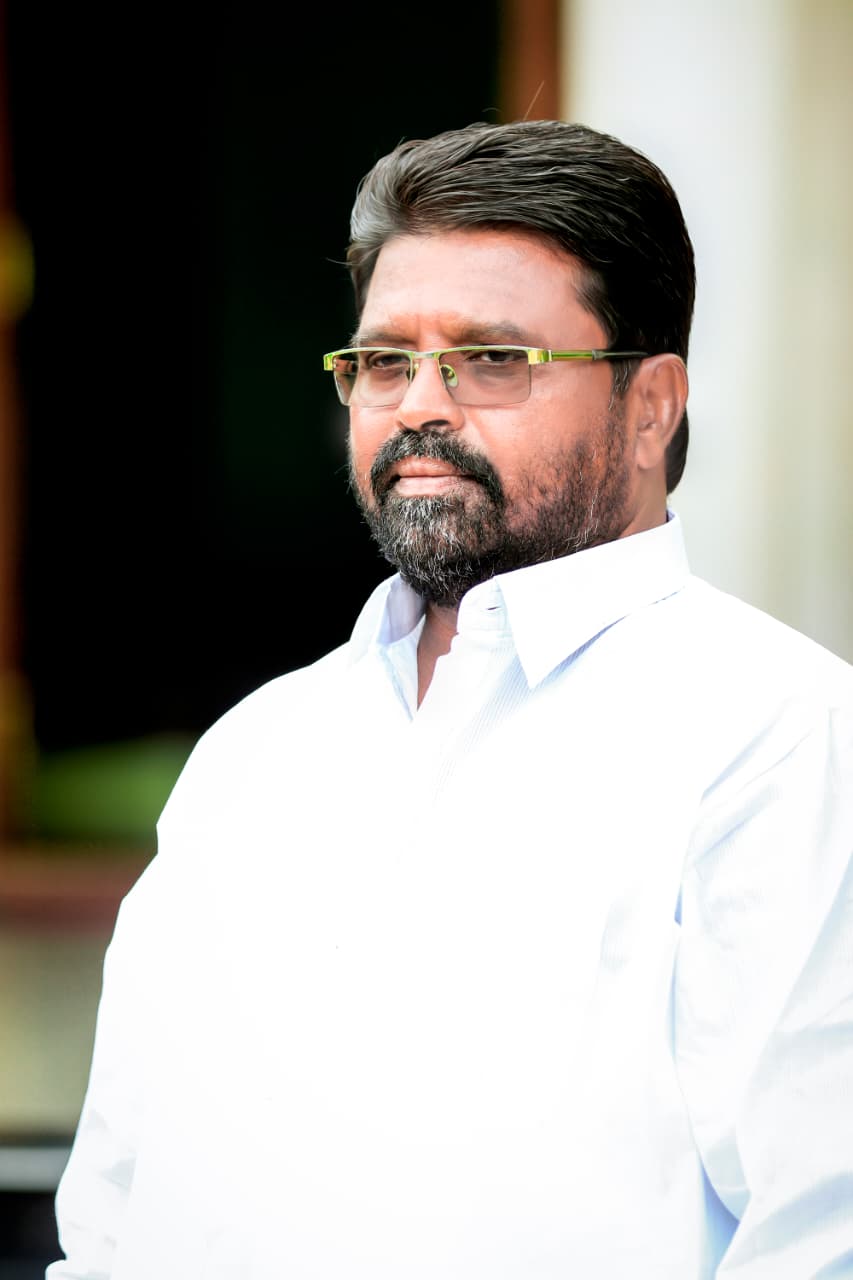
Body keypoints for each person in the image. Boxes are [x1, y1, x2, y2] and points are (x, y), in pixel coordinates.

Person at [49, 119, 852, 1279]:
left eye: (492, 357)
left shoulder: (777, 737)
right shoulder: (255, 750)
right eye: (385, 361)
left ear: (650, 406)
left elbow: (823, 1230)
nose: (419, 403)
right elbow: (116, 1213)